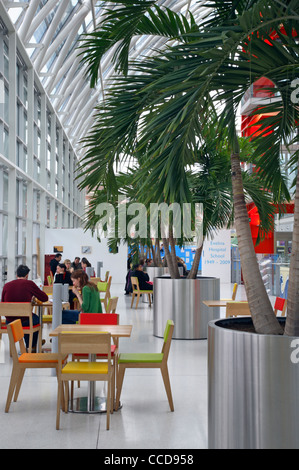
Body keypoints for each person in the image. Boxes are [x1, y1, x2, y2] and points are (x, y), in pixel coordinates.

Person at [1, 265, 48, 351]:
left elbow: (3, 302)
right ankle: (32, 346)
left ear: (16, 275)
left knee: (27, 317)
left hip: (9, 321)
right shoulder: (29, 284)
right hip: (24, 321)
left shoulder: (6, 285)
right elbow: (45, 298)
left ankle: (29, 345)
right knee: (35, 319)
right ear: (27, 275)